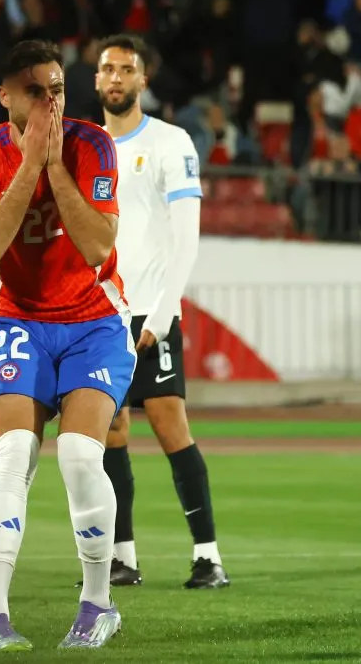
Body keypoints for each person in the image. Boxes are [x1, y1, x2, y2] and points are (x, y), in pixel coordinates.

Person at [0, 39, 135, 652]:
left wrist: (54, 165)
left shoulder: (92, 145)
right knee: (13, 457)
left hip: (94, 321)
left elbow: (97, 247)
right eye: (37, 90)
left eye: (58, 88)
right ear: (6, 95)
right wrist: (30, 164)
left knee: (81, 459)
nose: (51, 100)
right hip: (21, 318)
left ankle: (97, 605)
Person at [91, 34, 229, 589]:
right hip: (99, 314)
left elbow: (186, 236)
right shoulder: (85, 146)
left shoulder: (172, 143)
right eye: (108, 69)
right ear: (96, 80)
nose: (117, 77)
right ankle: (123, 557)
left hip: (152, 311)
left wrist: (165, 310)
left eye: (127, 69)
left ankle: (208, 557)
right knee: (110, 431)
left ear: (143, 80)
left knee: (171, 424)